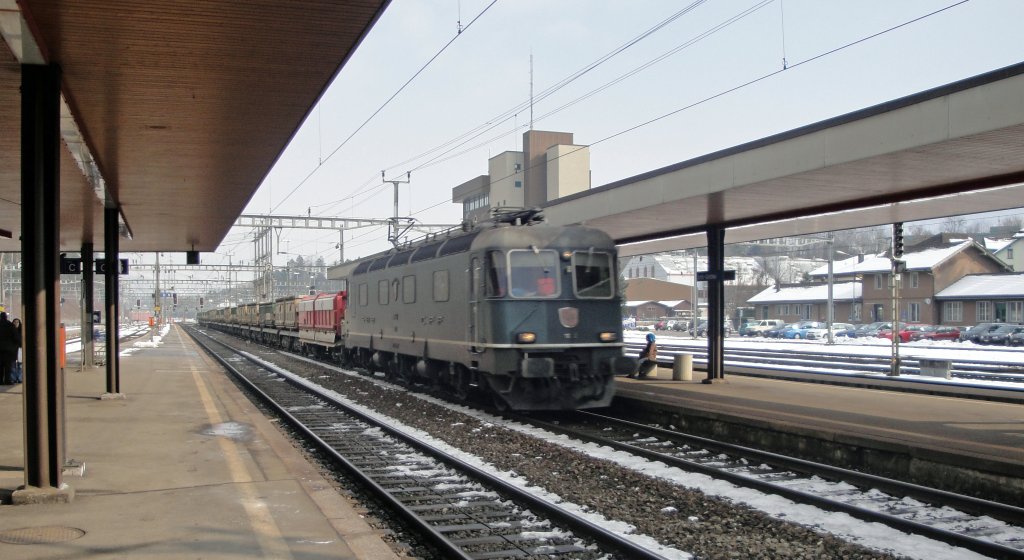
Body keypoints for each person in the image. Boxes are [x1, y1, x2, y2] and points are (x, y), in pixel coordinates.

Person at [0, 312, 16, 384]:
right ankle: (7, 380)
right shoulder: (10, 325)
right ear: (6, 317)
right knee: (8, 366)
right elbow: (15, 336)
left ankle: (0, 381)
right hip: (9, 349)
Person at [11, 318, 22, 384]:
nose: (16, 323)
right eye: (15, 322)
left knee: (20, 364)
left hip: (19, 349)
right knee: (13, 364)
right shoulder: (11, 330)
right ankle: (14, 378)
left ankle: (19, 378)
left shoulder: (21, 330)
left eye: (17, 322)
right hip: (13, 349)